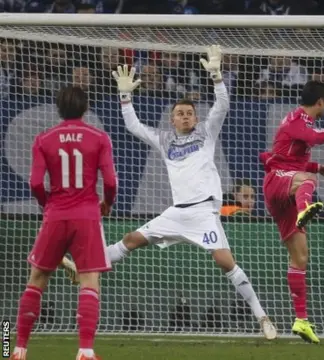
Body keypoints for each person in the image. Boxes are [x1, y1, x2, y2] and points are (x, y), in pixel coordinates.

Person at [60, 45, 277, 340]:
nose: (185, 116)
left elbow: (222, 106)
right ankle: (82, 267)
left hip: (203, 211)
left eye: (189, 113)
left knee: (225, 262)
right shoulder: (164, 140)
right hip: (177, 212)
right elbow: (134, 126)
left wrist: (216, 76)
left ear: (195, 118)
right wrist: (125, 96)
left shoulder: (206, 133)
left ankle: (262, 317)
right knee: (131, 240)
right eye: (180, 113)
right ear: (172, 119)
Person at [10, 86, 117, 360]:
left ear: (58, 108)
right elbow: (111, 182)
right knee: (89, 279)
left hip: (56, 213)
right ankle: (85, 351)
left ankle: (19, 348)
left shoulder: (44, 139)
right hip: (87, 215)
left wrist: (48, 204)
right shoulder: (99, 137)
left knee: (37, 279)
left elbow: (35, 183)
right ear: (85, 107)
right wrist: (107, 203)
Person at [259, 80, 324, 343]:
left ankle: (301, 320)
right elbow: (317, 138)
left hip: (286, 181)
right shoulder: (299, 119)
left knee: (300, 257)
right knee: (307, 180)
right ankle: (304, 207)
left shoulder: (300, 122)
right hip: (277, 181)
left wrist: (319, 167)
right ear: (320, 102)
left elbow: (294, 156)